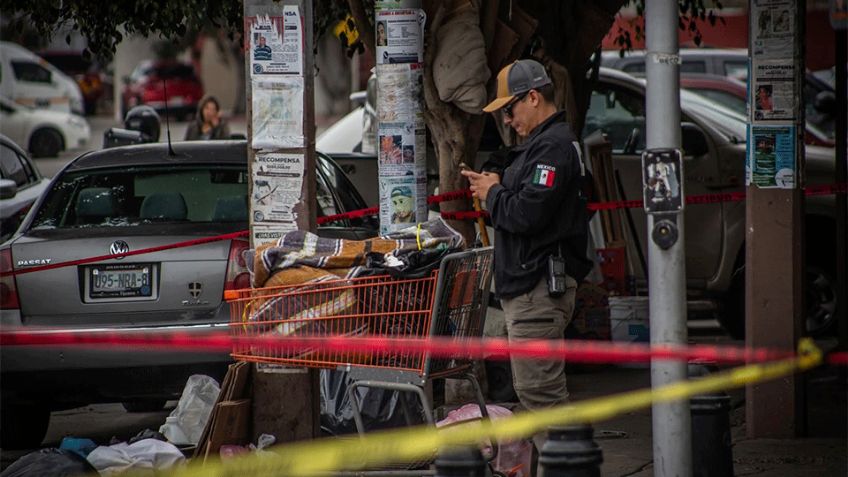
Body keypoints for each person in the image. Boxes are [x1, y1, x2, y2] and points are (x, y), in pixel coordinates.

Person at [461, 59, 592, 452]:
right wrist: (497, 184)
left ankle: (569, 465)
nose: (506, 119)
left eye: (510, 108)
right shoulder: (541, 145)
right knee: (536, 397)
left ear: (533, 97)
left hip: (538, 290)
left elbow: (526, 214)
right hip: (530, 287)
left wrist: (493, 193)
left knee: (542, 398)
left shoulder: (552, 147)